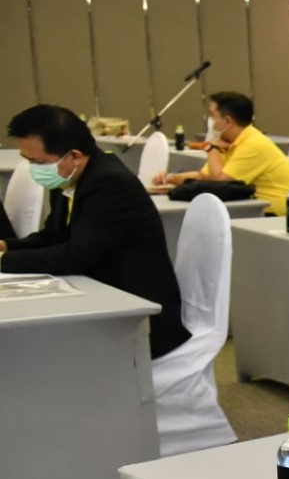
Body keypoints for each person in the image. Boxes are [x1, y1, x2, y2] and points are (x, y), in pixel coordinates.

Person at [1, 105, 189, 358]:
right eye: (27, 160)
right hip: (98, 291)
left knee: (36, 348)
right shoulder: (68, 177)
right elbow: (54, 235)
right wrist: (7, 246)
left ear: (74, 155)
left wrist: (4, 261)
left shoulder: (110, 184)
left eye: (38, 162)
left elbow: (76, 256)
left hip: (138, 316)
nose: (33, 169)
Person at [154, 91, 289, 215]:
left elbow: (218, 182)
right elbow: (204, 176)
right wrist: (170, 178)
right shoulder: (226, 141)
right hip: (245, 205)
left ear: (227, 121)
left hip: (270, 212)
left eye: (212, 115)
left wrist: (212, 148)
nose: (209, 120)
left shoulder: (254, 144)